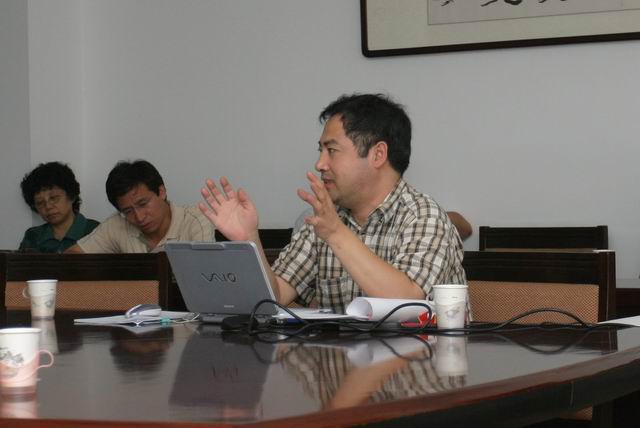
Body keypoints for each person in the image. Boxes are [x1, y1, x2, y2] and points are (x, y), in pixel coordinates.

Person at [200, 93, 466, 313]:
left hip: (420, 361)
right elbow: (275, 296)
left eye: (332, 150)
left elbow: (407, 302)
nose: (319, 164)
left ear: (378, 154)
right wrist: (249, 241)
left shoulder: (424, 216)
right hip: (340, 359)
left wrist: (335, 232)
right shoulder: (325, 219)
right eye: (320, 151)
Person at [66, 159, 214, 253]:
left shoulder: (196, 220)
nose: (139, 217)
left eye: (143, 204)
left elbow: (206, 277)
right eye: (127, 211)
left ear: (161, 192)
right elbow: (71, 257)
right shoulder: (117, 224)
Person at [19, 162, 99, 253]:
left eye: (54, 198)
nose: (48, 206)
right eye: (40, 203)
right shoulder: (32, 236)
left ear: (71, 196)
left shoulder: (96, 231)